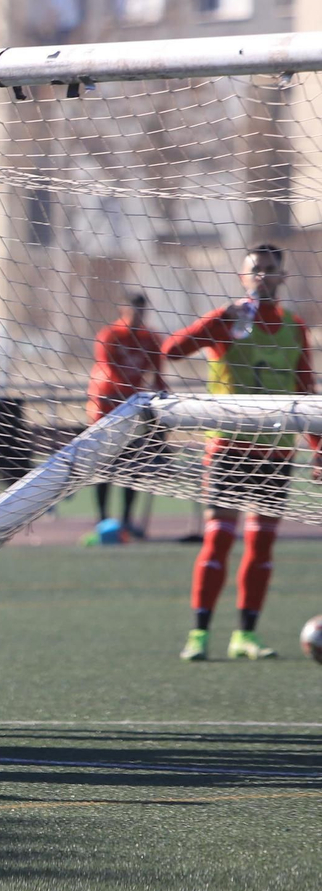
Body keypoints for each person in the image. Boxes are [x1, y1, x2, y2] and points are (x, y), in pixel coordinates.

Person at [163, 244, 317, 662]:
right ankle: (199, 633)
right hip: (228, 448)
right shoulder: (227, 321)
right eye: (256, 270)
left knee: (262, 544)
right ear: (242, 277)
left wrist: (318, 449)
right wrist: (217, 320)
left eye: (270, 270)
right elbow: (171, 352)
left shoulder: (294, 327)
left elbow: (306, 390)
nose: (263, 276)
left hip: (276, 454)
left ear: (283, 278)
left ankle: (245, 635)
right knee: (217, 540)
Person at [86, 292, 165, 539]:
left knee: (133, 466)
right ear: (123, 310)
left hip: (134, 409)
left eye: (142, 312)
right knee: (105, 466)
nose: (138, 317)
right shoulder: (109, 336)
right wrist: (135, 397)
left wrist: (162, 406)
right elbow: (110, 373)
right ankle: (102, 520)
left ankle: (127, 520)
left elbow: (158, 375)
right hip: (106, 408)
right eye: (134, 312)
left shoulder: (150, 338)